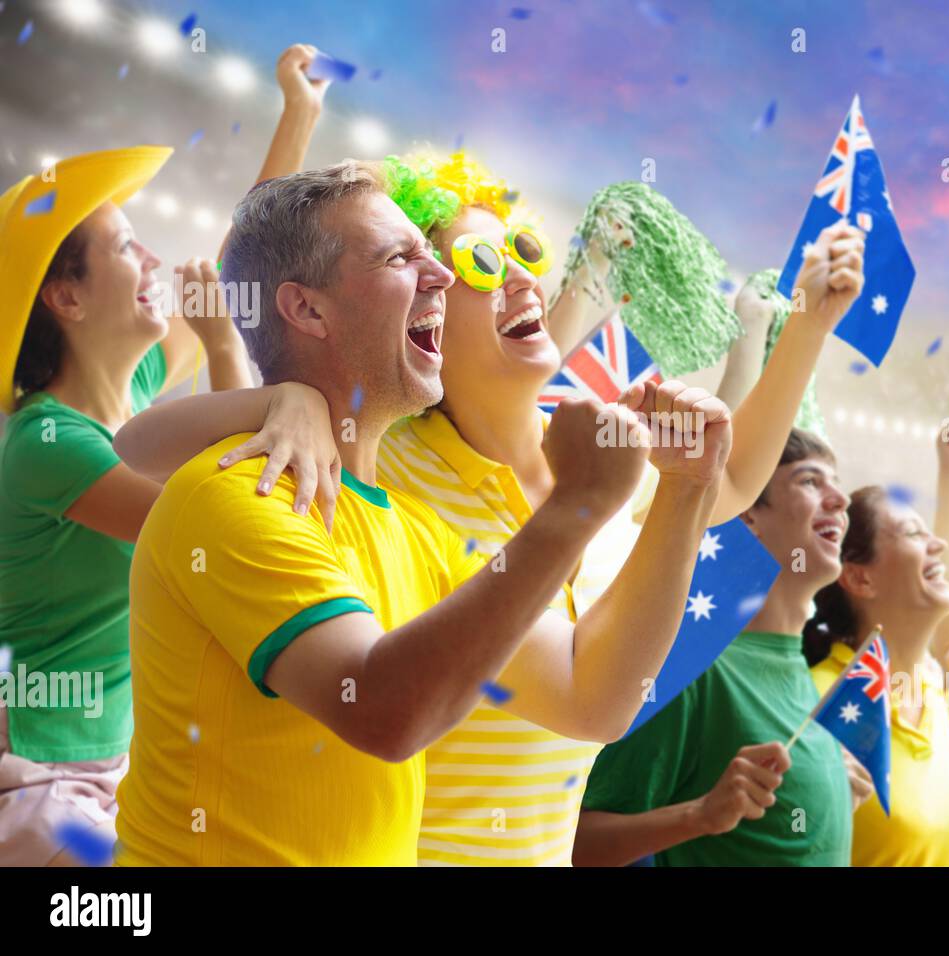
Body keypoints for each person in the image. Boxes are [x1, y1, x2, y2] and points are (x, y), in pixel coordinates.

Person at [113, 43, 866, 866]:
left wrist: (686, 481)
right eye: (437, 259)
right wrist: (279, 397)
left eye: (524, 254)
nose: (455, 275)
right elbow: (148, 436)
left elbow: (594, 693)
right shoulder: (340, 475)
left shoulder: (418, 525)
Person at [0, 146, 253, 866]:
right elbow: (233, 522)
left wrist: (299, 110)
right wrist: (227, 349)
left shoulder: (133, 389)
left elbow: (233, 259)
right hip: (41, 781)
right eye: (123, 245)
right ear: (67, 299)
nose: (153, 257)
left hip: (114, 765)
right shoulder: (50, 444)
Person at [573, 430, 872, 867]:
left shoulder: (802, 674)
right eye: (811, 481)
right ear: (748, 511)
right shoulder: (695, 673)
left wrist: (827, 799)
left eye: (836, 481)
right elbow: (576, 844)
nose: (840, 499)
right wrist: (698, 815)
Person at [803, 414, 949, 866]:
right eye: (912, 533)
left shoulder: (938, 694)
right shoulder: (819, 697)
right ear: (859, 578)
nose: (937, 545)